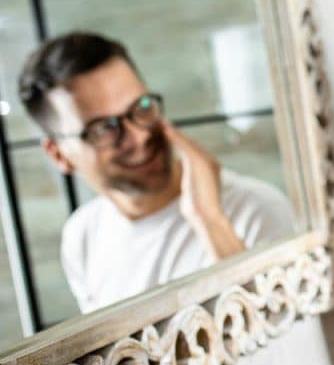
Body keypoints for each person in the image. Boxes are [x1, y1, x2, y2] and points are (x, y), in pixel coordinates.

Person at [18, 32, 294, 313]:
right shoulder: (82, 236)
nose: (137, 137)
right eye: (103, 128)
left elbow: (286, 346)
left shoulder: (256, 211)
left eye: (142, 107)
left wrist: (211, 222)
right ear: (58, 154)